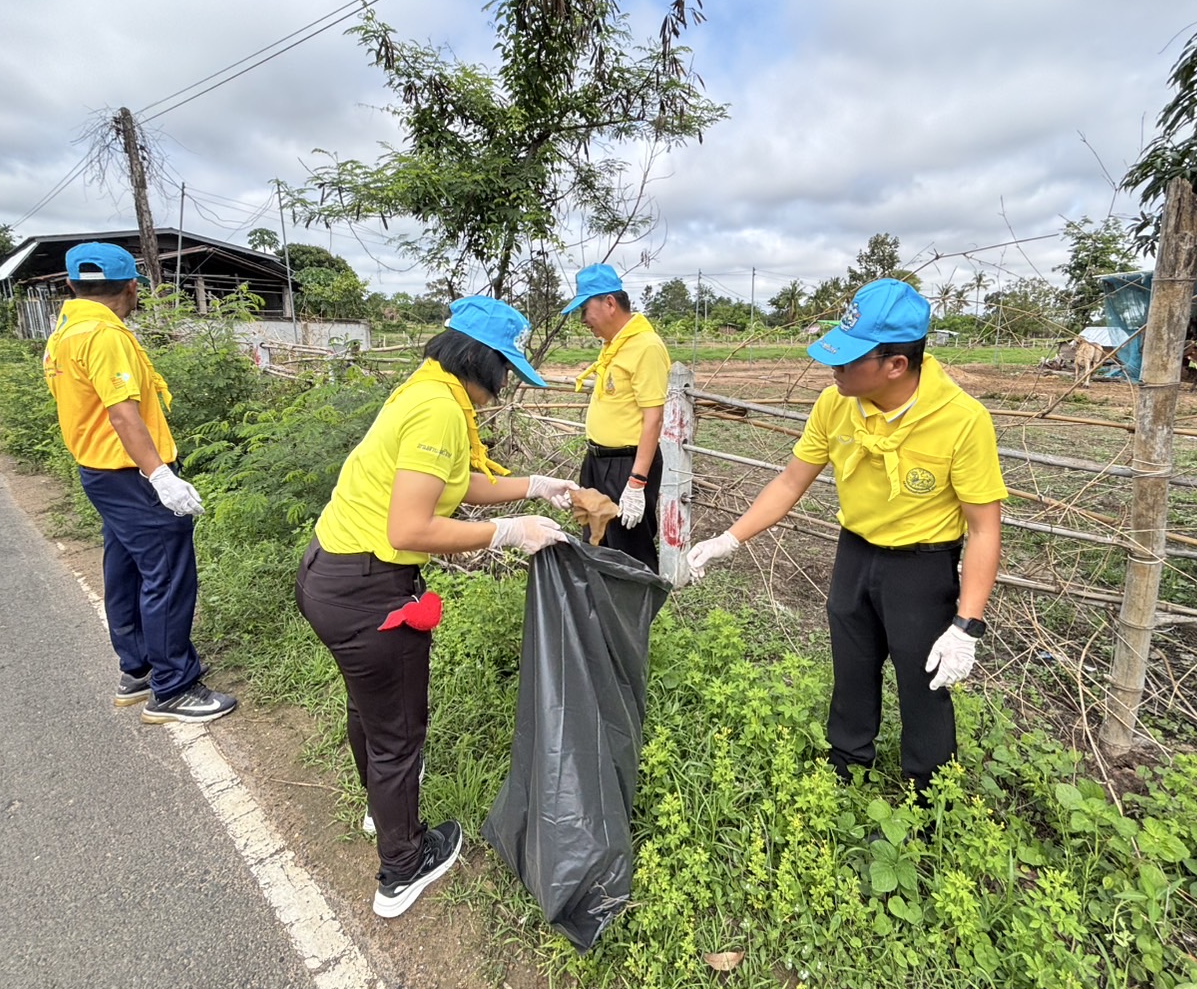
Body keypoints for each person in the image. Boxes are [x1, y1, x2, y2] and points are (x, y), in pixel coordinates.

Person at [295, 296, 578, 921]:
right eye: (505, 370)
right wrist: (508, 533)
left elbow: (454, 483)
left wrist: (534, 487)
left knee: (370, 709)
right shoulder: (439, 411)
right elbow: (411, 528)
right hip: (369, 588)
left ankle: (382, 809)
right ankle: (402, 867)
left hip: (331, 575)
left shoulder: (426, 391)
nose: (503, 387)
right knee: (398, 733)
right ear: (481, 361)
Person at [686, 279, 1006, 796]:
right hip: (855, 553)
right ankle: (847, 762)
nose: (832, 368)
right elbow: (790, 482)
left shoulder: (961, 420)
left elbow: (984, 528)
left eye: (849, 358)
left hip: (921, 567)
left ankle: (929, 794)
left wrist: (966, 625)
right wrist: (730, 538)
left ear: (895, 364)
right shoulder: (836, 404)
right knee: (852, 665)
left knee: (924, 680)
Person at [43, 242, 235, 724]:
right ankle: (173, 687)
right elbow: (122, 414)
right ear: (133, 287)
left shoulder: (64, 332)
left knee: (126, 568)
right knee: (166, 573)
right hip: (133, 474)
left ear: (70, 285)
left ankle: (139, 668)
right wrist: (160, 475)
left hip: (99, 472)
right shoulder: (104, 336)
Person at [561, 264, 671, 573]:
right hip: (598, 461)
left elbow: (653, 418)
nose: (583, 320)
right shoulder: (614, 346)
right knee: (597, 542)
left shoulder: (646, 347)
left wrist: (636, 483)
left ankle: (634, 604)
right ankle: (600, 602)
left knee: (629, 553)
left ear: (609, 303)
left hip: (627, 465)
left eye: (585, 310)